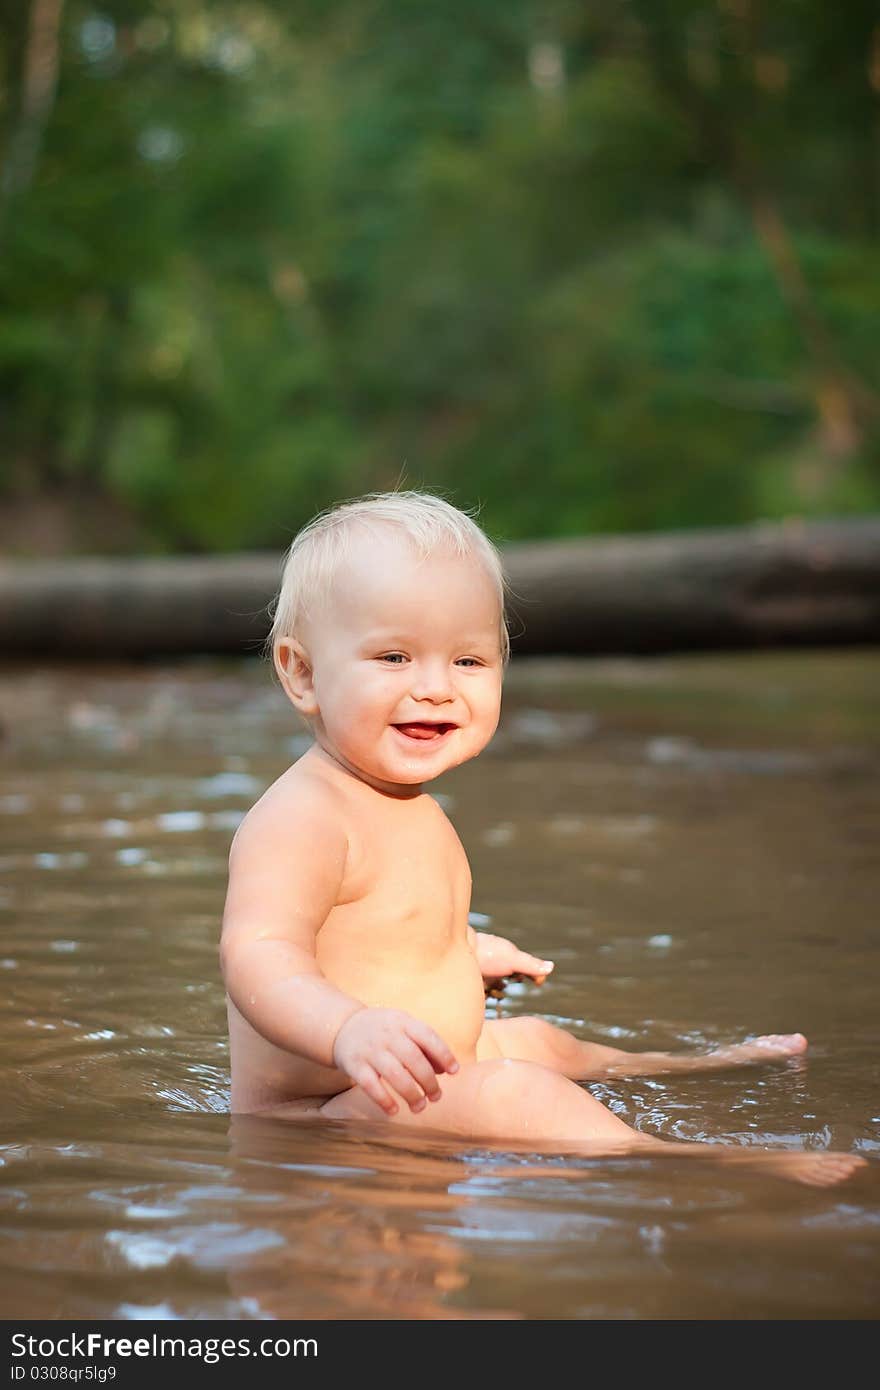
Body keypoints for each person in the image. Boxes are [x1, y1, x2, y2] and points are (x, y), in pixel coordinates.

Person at [221, 491, 865, 1186]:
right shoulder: (303, 817)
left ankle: (689, 1064)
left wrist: (460, 954)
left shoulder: (407, 804)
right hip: (322, 1115)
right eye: (395, 657)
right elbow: (258, 953)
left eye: (467, 662)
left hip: (405, 1077)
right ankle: (696, 1162)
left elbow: (377, 932)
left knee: (537, 1043)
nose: (435, 688)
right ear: (303, 672)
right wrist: (347, 1029)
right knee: (515, 1092)